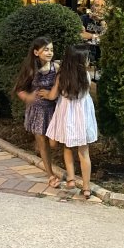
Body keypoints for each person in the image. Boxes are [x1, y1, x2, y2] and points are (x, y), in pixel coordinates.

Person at [45, 44, 98, 199]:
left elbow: (53, 96)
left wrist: (45, 95)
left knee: (68, 147)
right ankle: (86, 187)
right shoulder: (86, 76)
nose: (89, 61)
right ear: (81, 61)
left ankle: (71, 179)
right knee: (84, 151)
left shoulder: (61, 76)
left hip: (67, 115)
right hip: (82, 117)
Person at [13, 37, 60, 188]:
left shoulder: (56, 67)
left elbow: (63, 86)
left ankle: (39, 145)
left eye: (51, 50)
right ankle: (50, 175)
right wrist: (28, 97)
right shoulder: (31, 70)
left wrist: (52, 94)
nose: (50, 53)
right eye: (46, 50)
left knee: (53, 143)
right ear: (36, 52)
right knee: (43, 143)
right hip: (37, 111)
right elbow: (19, 89)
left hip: (54, 109)